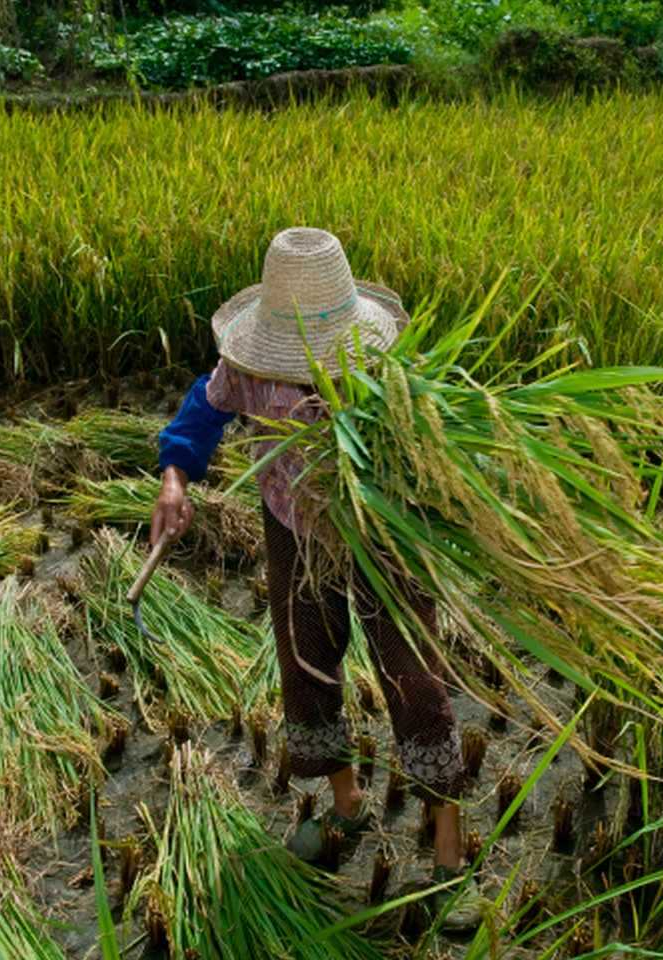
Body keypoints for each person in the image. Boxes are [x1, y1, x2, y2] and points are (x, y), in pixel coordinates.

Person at [150, 227, 487, 928]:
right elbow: (202, 411)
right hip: (294, 528)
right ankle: (346, 803)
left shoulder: (385, 372)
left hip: (381, 533)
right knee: (306, 660)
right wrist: (174, 480)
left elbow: (439, 445)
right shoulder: (247, 370)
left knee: (413, 676)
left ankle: (449, 849)